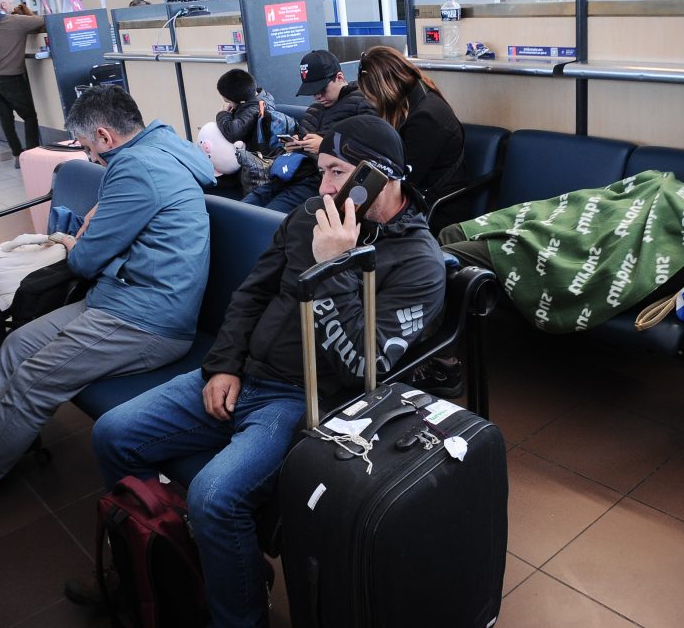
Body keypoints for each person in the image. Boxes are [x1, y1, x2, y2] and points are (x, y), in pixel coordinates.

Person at [91, 115, 447, 627]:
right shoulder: (310, 213)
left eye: (336, 172)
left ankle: (238, 614)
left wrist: (331, 268)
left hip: (304, 398)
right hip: (243, 373)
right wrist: (223, 365)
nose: (323, 187)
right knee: (114, 435)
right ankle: (171, 563)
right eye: (320, 170)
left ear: (379, 177)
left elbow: (363, 367)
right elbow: (252, 292)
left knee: (216, 497)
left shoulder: (417, 263)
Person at [0, 86, 216, 527]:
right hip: (121, 299)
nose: (91, 158)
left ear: (106, 136)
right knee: (17, 346)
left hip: (147, 320)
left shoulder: (136, 169)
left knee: (34, 380)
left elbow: (84, 260)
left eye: (90, 148)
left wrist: (88, 234)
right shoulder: (165, 145)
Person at [415, 176, 684, 394]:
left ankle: (443, 364)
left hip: (573, 261)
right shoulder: (681, 193)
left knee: (445, 259)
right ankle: (441, 342)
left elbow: (642, 269)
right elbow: (614, 201)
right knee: (451, 234)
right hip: (567, 228)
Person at [243, 50, 376, 213]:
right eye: (313, 91)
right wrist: (296, 144)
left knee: (263, 217)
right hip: (291, 175)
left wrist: (325, 146)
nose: (318, 96)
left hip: (321, 181)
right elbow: (305, 140)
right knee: (240, 208)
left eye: (322, 89)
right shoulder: (314, 109)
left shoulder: (362, 103)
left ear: (339, 77)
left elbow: (372, 150)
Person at [357, 45, 468, 231]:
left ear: (385, 90)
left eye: (372, 96)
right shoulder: (416, 96)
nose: (371, 102)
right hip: (420, 197)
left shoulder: (425, 119)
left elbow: (404, 178)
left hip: (438, 207)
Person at [0, 0, 47, 168]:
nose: (12, 2)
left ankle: (17, 154)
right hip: (11, 76)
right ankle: (32, 155)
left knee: (6, 116)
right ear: (2, 4)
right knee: (29, 116)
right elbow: (43, 21)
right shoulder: (14, 21)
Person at [214, 68, 276, 153]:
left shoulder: (254, 109)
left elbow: (233, 133)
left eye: (228, 102)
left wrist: (223, 114)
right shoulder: (259, 98)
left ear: (241, 102)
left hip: (256, 156)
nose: (228, 105)